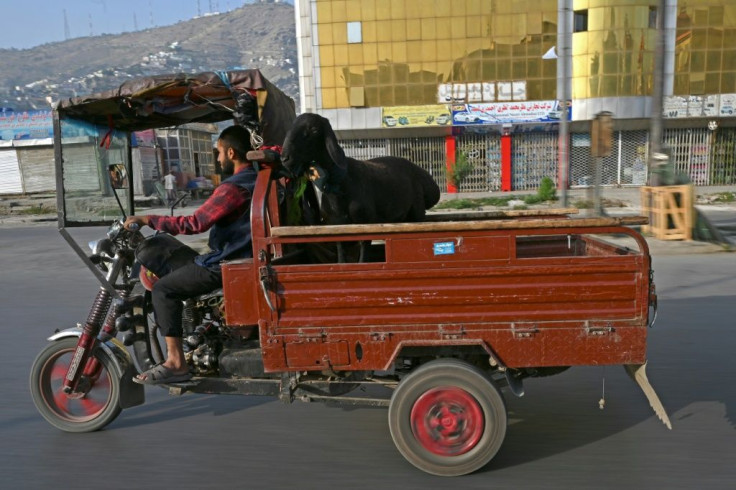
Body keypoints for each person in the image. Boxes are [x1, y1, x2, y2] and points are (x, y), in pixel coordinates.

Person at [124, 125, 256, 384]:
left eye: (218, 153)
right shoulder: (257, 179)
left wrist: (147, 219)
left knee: (163, 289)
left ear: (230, 152)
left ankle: (175, 362)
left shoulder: (233, 188)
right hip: (244, 257)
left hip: (227, 263)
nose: (217, 160)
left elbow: (195, 223)